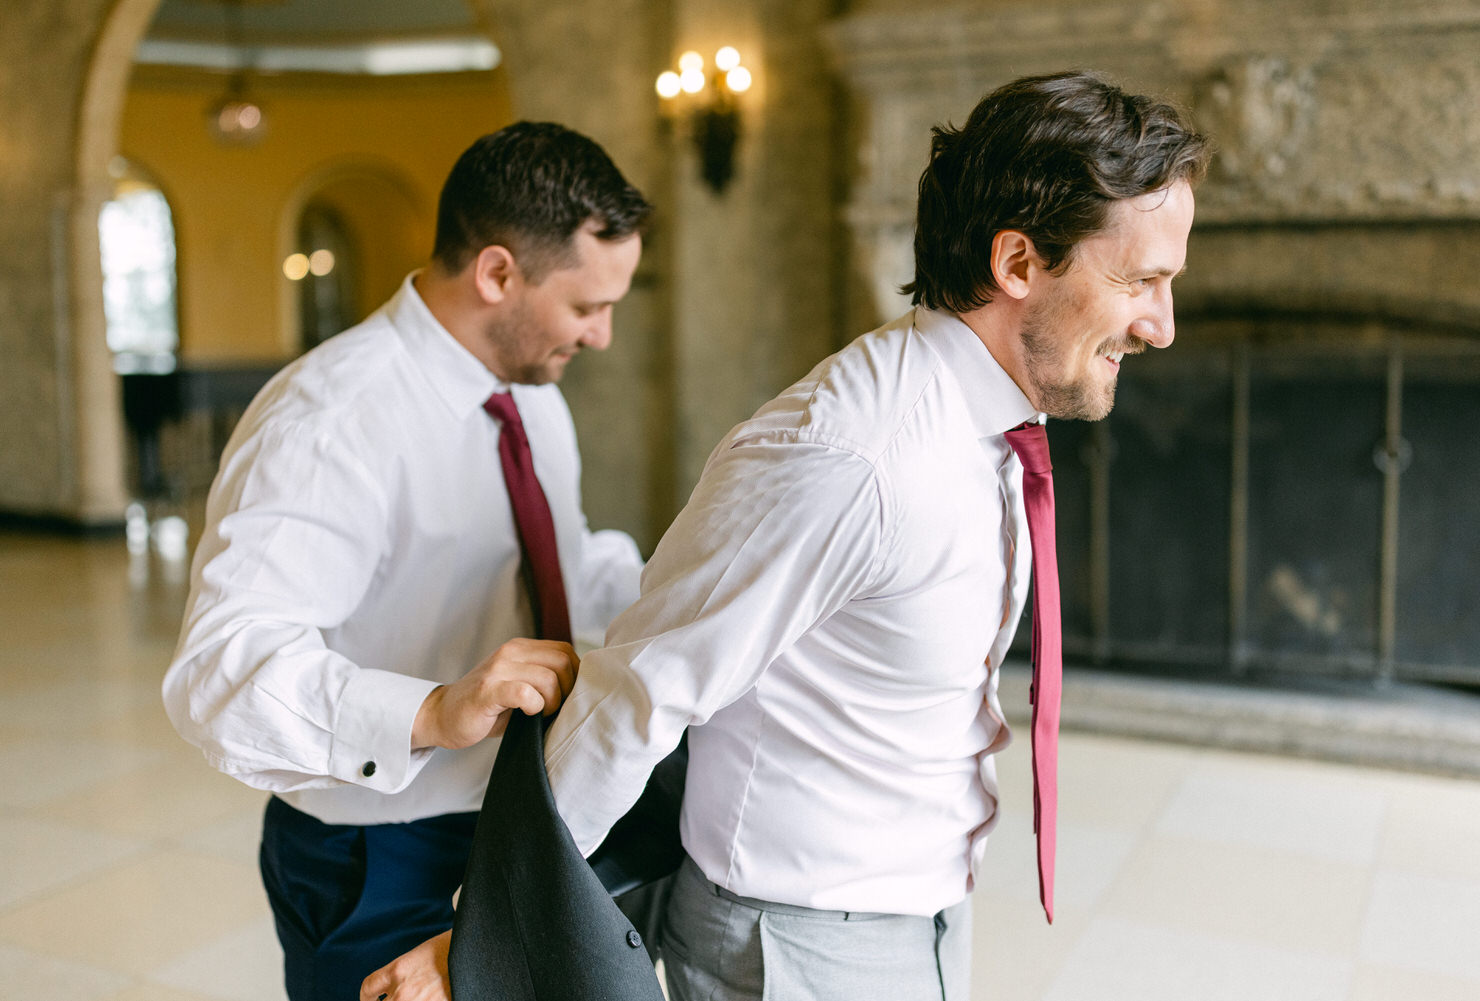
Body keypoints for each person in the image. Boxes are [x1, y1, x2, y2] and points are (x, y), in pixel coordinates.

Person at [365, 69, 1210, 1001]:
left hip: (915, 908)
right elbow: (641, 690)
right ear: (1018, 264)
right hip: (798, 947)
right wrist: (477, 942)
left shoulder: (994, 416)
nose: (1162, 325)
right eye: (1141, 280)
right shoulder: (851, 456)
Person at [162, 121, 652, 1001]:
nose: (603, 335)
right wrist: (430, 708)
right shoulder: (330, 419)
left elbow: (562, 561)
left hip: (517, 824)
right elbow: (217, 670)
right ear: (497, 272)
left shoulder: (531, 397)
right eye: (587, 306)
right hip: (376, 852)